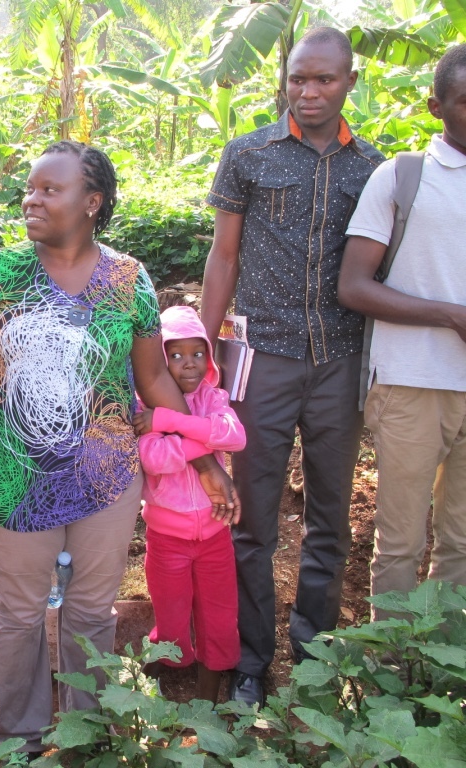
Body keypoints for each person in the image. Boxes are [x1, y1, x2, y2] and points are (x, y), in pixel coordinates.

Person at [0, 141, 238, 755]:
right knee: (18, 613)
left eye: (50, 189)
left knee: (93, 612)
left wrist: (204, 460)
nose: (31, 199)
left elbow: (153, 381)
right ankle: (20, 734)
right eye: (30, 187)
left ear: (92, 202)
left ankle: (87, 735)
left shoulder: (129, 279)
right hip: (11, 480)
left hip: (107, 480)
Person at [200, 27, 384, 707]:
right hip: (264, 359)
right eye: (298, 79)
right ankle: (253, 662)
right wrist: (210, 353)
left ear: (349, 84)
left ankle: (313, 655)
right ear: (285, 79)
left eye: (324, 81)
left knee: (331, 520)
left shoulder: (374, 168)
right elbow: (223, 257)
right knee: (252, 519)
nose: (308, 93)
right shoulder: (247, 155)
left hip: (340, 362)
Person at [337, 44, 466, 616]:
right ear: (437, 107)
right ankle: (386, 672)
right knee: (402, 542)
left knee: (462, 544)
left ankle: (441, 665)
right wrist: (450, 314)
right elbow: (354, 286)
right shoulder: (404, 176)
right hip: (414, 381)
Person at [134, 304, 245, 704]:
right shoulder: (144, 409)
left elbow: (233, 435)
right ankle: (149, 683)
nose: (189, 364)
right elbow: (153, 459)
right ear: (160, 362)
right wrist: (201, 439)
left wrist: (173, 422)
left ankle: (208, 702)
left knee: (219, 620)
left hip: (215, 537)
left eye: (198, 353)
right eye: (175, 355)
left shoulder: (212, 399)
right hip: (167, 539)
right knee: (172, 619)